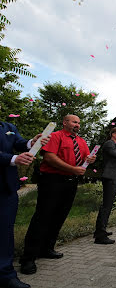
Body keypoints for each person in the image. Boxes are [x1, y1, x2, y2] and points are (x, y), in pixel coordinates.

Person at [19, 115, 96, 275]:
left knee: (59, 216)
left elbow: (84, 160)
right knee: (43, 216)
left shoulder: (81, 142)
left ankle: (47, 248)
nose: (77, 125)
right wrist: (73, 169)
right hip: (52, 181)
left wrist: (90, 159)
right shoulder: (55, 136)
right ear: (65, 122)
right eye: (74, 122)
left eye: (79, 123)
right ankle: (28, 258)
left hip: (71, 183)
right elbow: (49, 157)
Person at [0, 120, 50, 288]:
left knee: (5, 231)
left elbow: (19, 143)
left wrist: (31, 143)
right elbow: (13, 155)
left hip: (6, 188)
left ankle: (6, 274)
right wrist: (13, 158)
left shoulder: (8, 127)